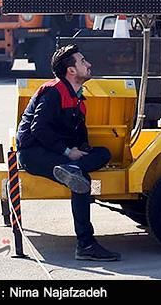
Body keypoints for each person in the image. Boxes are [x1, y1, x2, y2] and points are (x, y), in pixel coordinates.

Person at [16, 44, 121, 261]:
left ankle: (70, 169)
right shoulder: (53, 92)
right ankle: (86, 245)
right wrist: (66, 151)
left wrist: (81, 150)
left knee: (103, 153)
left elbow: (79, 136)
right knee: (81, 180)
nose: (89, 64)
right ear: (71, 70)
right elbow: (38, 129)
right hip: (34, 153)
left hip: (60, 156)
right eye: (83, 61)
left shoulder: (78, 100)